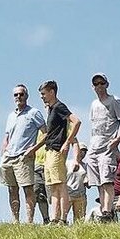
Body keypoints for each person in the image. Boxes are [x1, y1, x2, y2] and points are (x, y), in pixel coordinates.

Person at [26, 80, 80, 224]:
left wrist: (67, 142)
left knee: (60, 185)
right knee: (53, 187)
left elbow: (76, 121)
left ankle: (63, 219)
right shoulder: (51, 109)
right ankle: (55, 218)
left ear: (52, 92)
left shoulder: (59, 107)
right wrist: (34, 148)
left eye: (44, 94)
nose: (42, 97)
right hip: (49, 151)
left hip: (57, 150)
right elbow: (49, 134)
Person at [0, 84, 46, 223]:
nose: (18, 97)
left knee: (28, 189)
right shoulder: (11, 116)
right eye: (16, 94)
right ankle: (15, 220)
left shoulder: (34, 113)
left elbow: (46, 133)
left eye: (21, 94)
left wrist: (34, 149)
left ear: (27, 96)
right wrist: (3, 152)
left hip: (23, 157)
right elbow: (7, 136)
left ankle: (29, 221)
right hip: (9, 156)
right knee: (12, 189)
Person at [84, 73, 120, 220]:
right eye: (96, 84)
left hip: (107, 148)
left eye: (101, 83)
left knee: (107, 180)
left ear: (107, 84)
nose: (99, 86)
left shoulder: (114, 101)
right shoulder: (94, 104)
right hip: (94, 147)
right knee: (98, 182)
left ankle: (108, 212)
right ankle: (103, 210)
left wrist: (117, 140)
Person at [66, 147, 88, 223]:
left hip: (80, 195)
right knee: (62, 216)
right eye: (81, 151)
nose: (83, 153)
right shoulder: (67, 163)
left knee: (79, 220)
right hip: (67, 194)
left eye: (84, 151)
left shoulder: (86, 166)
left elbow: (88, 184)